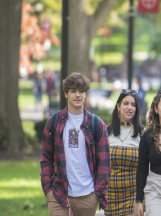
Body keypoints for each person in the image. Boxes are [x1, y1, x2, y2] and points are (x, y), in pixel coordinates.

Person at [40, 72, 110, 216]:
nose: (77, 95)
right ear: (66, 94)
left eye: (81, 91)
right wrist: (48, 189)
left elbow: (104, 163)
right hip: (58, 194)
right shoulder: (53, 122)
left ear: (85, 94)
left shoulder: (97, 125)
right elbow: (46, 158)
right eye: (73, 91)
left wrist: (97, 193)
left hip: (88, 195)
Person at [105, 89, 145, 216]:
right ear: (118, 106)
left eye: (133, 105)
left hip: (135, 196)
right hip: (111, 196)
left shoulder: (143, 134)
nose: (130, 108)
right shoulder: (105, 132)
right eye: (126, 103)